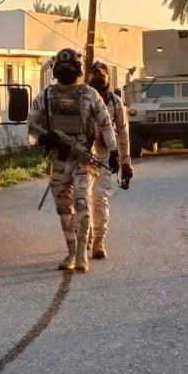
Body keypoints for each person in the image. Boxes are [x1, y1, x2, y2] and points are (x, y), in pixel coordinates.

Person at [28, 48, 118, 272]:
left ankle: (81, 254)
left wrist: (115, 151)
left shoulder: (90, 95)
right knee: (63, 208)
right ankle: (70, 251)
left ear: (78, 70)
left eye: (70, 67)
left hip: (83, 160)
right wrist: (45, 137)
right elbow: (31, 124)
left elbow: (106, 123)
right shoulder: (46, 96)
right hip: (58, 161)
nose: (66, 71)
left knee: (82, 203)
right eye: (62, 67)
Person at [86, 61, 133, 260]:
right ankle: (86, 231)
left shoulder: (115, 102)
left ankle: (99, 239)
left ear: (108, 78)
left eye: (101, 75)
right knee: (82, 198)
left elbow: (123, 132)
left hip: (105, 154)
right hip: (84, 154)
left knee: (99, 197)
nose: (97, 78)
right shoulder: (82, 98)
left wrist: (125, 160)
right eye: (94, 74)